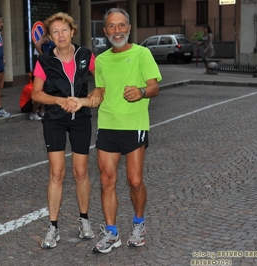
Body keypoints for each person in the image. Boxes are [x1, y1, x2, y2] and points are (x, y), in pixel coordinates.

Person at [90, 8, 162, 254]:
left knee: (135, 180)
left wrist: (141, 92)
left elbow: (154, 87)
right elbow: (100, 90)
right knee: (106, 181)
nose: (117, 30)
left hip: (134, 125)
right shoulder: (101, 60)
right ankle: (111, 233)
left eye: (121, 25)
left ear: (129, 28)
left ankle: (139, 224)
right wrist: (87, 98)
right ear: (105, 30)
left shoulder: (143, 54)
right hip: (107, 124)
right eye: (111, 26)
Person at [31, 12, 101, 249]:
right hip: (55, 120)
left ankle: (84, 221)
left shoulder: (86, 55)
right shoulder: (44, 61)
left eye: (64, 30)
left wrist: (89, 98)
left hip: (81, 119)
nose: (60, 35)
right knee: (57, 173)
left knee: (81, 172)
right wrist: (59, 101)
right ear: (50, 37)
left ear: (72, 31)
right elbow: (36, 94)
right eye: (55, 32)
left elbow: (101, 83)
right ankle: (53, 227)